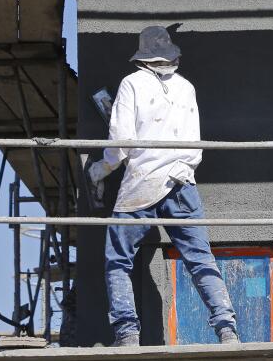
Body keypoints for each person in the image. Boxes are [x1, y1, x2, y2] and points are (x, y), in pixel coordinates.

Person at [85, 26, 239, 347]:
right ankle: (227, 329)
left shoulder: (131, 84)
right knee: (200, 258)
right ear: (170, 54)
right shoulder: (186, 87)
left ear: (143, 56)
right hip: (183, 179)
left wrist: (100, 169)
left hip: (142, 180)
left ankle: (127, 334)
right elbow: (195, 143)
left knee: (117, 260)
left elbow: (121, 143)